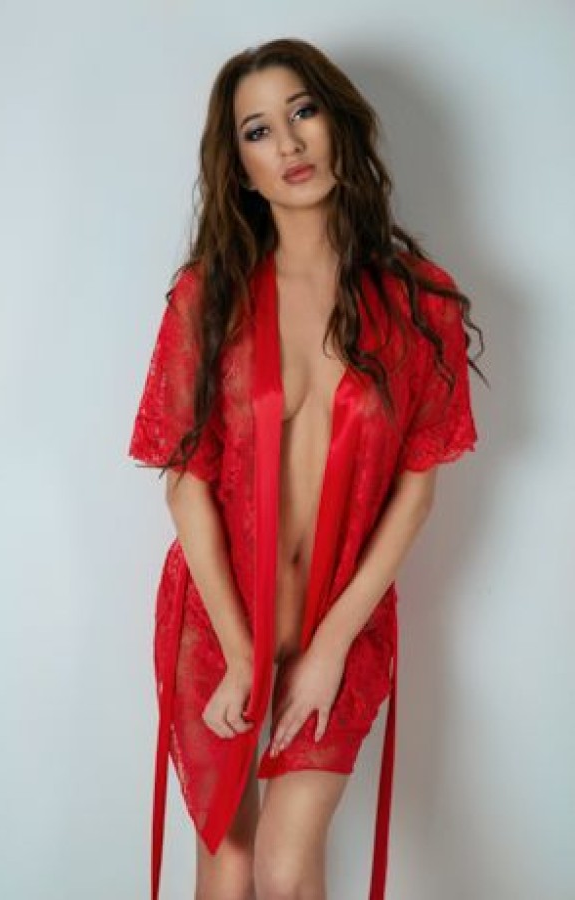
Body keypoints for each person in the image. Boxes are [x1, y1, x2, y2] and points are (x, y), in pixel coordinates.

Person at [128, 36, 486, 900]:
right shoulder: (209, 296)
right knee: (231, 868)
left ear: (338, 125)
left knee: (287, 869)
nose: (288, 144)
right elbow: (185, 483)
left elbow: (417, 487)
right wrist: (241, 654)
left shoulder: (418, 300)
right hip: (217, 621)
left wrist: (328, 649)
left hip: (343, 627)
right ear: (241, 169)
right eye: (258, 131)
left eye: (303, 112)